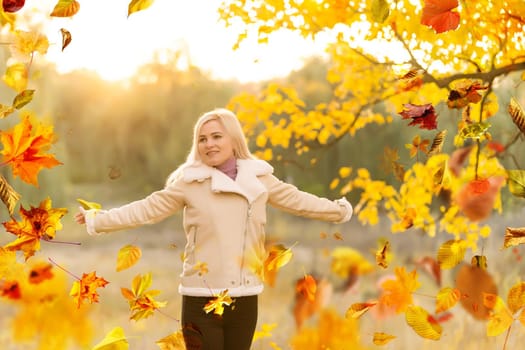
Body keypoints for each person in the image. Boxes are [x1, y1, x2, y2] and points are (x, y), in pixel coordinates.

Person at [75, 108, 353, 350]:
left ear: (234, 139)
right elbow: (146, 209)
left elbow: (299, 201)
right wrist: (97, 220)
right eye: (202, 139)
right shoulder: (189, 182)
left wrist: (338, 210)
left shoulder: (260, 179)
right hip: (202, 299)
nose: (209, 144)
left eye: (216, 136)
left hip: (244, 299)